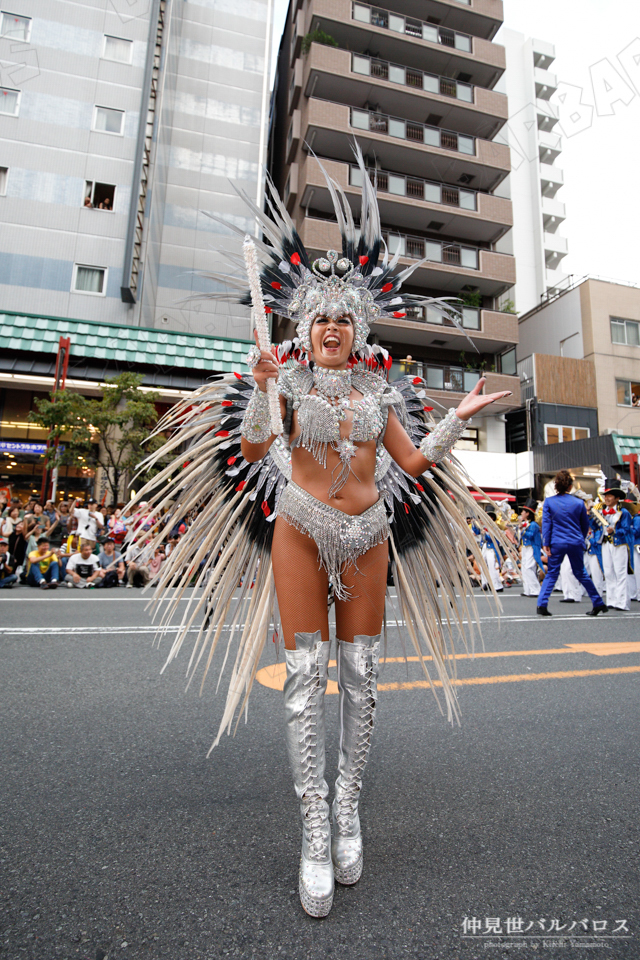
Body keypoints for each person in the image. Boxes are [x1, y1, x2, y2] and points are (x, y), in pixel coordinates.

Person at [124, 146, 514, 919]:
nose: (333, 326)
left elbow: (410, 460)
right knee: (306, 686)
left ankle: (347, 813)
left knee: (362, 682)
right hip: (299, 530)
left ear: (358, 325)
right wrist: (266, 390)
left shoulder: (383, 387)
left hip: (368, 535)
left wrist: (457, 425)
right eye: (321, 317)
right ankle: (311, 830)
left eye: (344, 316)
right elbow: (255, 451)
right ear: (303, 327)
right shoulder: (283, 378)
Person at [537, 470, 607, 617]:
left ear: (556, 486)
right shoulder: (578, 503)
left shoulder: (549, 502)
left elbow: (547, 524)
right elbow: (584, 524)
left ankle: (542, 604)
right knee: (581, 573)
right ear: (570, 487)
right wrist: (580, 539)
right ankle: (598, 602)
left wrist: (546, 543)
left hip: (557, 541)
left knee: (552, 573)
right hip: (575, 540)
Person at [600, 481, 634, 611]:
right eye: (606, 495)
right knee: (608, 572)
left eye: (610, 496)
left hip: (619, 544)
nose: (606, 498)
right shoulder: (602, 511)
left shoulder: (624, 512)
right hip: (605, 543)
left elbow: (627, 530)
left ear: (617, 498)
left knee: (620, 573)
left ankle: (622, 602)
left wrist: (614, 531)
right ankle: (612, 600)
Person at [519, 498, 542, 597]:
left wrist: (522, 530)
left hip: (532, 547)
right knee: (524, 568)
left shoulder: (533, 524)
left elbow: (530, 535)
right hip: (525, 548)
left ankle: (536, 589)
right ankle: (527, 589)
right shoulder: (527, 524)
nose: (521, 513)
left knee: (529, 568)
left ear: (527, 513)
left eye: (523, 511)